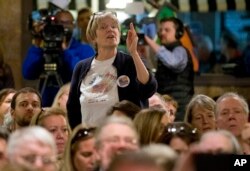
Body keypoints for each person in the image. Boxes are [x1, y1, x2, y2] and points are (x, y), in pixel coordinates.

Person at [67, 11, 157, 128]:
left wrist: (134, 53)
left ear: (119, 34)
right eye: (103, 27)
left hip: (124, 137)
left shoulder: (130, 62)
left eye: (114, 26)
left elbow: (149, 89)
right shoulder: (81, 67)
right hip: (90, 139)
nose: (110, 29)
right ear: (93, 36)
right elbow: (72, 108)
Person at [23, 10, 95, 107]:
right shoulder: (41, 49)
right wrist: (38, 47)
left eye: (67, 23)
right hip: (45, 103)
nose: (63, 26)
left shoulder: (84, 49)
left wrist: (65, 51)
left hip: (72, 104)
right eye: (59, 23)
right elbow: (27, 74)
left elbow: (84, 74)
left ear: (74, 25)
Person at [145, 17, 194, 121]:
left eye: (167, 30)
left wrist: (148, 40)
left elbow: (173, 63)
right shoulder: (165, 52)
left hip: (179, 110)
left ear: (178, 33)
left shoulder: (180, 50)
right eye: (161, 30)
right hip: (168, 106)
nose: (162, 33)